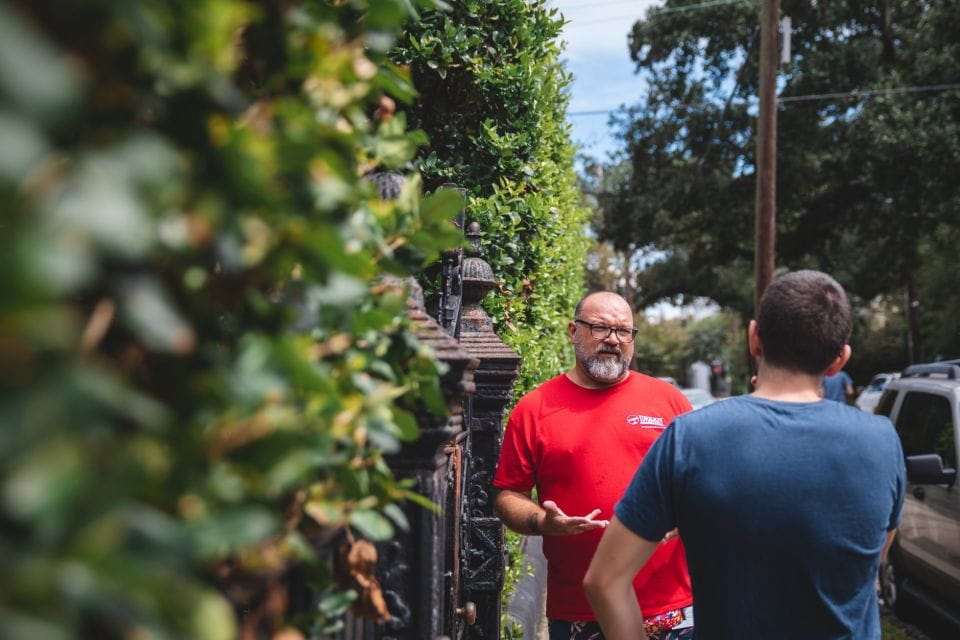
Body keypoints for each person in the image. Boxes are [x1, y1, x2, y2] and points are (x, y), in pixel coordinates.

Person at [584, 270, 905, 639]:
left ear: (754, 338)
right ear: (840, 360)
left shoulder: (690, 438)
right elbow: (872, 559)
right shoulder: (882, 441)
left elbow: (604, 582)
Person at [493, 292, 695, 640]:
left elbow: (701, 481)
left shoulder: (668, 400)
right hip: (578, 611)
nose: (613, 340)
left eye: (623, 331)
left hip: (670, 607)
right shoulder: (534, 409)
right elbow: (508, 494)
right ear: (573, 331)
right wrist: (543, 522)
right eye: (600, 328)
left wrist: (684, 514)